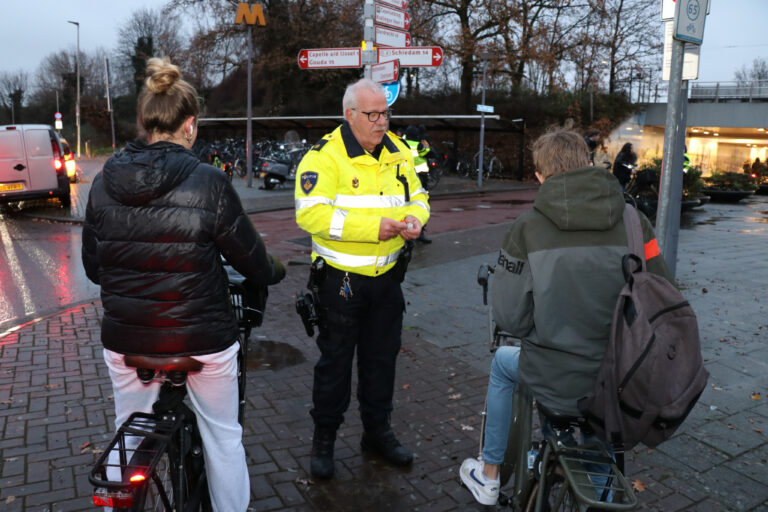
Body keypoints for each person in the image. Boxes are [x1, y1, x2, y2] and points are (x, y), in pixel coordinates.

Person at [82, 57, 286, 512]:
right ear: (190, 125)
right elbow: (251, 260)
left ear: (143, 122)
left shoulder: (100, 185)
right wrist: (275, 270)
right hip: (202, 340)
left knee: (128, 430)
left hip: (127, 339)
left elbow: (95, 268)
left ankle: (118, 499)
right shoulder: (208, 182)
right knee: (222, 434)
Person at [458, 129, 671, 506]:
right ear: (589, 164)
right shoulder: (637, 223)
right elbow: (664, 295)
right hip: (623, 379)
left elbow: (511, 318)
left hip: (554, 377)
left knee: (502, 365)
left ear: (541, 176)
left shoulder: (527, 228)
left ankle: (490, 476)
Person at [294, 79, 430, 480]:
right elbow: (311, 215)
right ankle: (324, 441)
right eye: (372, 114)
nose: (381, 122)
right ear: (349, 114)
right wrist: (376, 227)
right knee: (335, 363)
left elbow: (420, 196)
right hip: (341, 281)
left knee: (381, 361)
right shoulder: (324, 157)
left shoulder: (400, 151)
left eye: (385, 113)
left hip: (387, 279)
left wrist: (415, 220)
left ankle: (377, 432)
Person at [403, 125, 433, 243]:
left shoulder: (401, 144)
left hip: (406, 178)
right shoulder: (419, 145)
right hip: (420, 178)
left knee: (407, 204)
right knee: (421, 203)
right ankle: (419, 233)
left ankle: (407, 232)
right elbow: (429, 152)